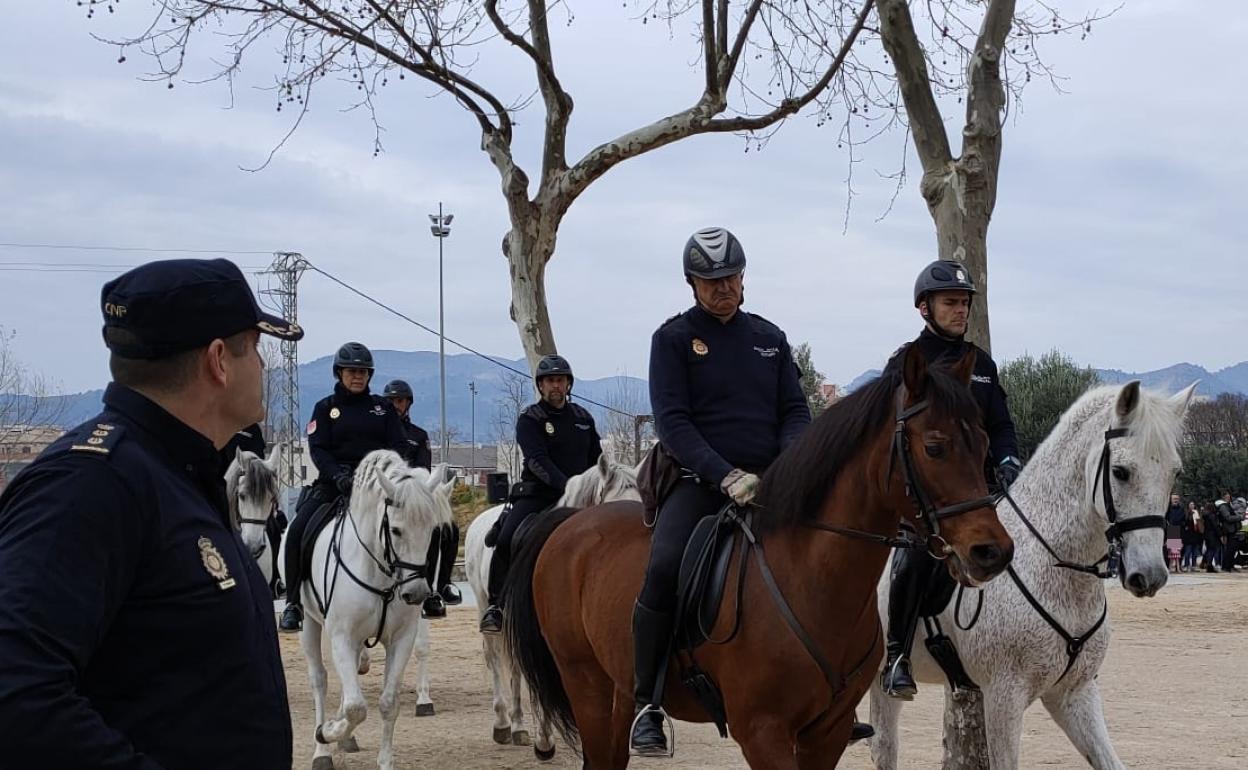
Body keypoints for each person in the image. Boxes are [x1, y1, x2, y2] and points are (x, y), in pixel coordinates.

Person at [0, 258, 299, 768]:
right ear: (219, 360)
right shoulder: (90, 484)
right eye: (257, 349)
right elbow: (15, 691)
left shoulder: (176, 472)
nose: (265, 368)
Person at [631, 227, 811, 755]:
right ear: (692, 283)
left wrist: (787, 466)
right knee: (664, 568)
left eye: (730, 277)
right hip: (700, 483)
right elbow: (673, 423)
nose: (723, 287)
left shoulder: (770, 338)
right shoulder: (672, 340)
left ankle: (827, 694)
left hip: (771, 482)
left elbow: (794, 411)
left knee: (823, 560)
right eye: (711, 280)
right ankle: (648, 703)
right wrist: (725, 475)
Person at [880, 259, 1022, 702]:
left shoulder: (981, 365)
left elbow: (999, 424)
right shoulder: (907, 362)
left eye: (964, 303)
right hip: (928, 496)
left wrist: (1010, 458)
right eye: (951, 303)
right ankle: (897, 654)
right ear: (925, 307)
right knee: (919, 557)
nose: (961, 311)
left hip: (977, 491)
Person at [278, 342, 407, 632]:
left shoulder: (382, 408)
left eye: (363, 372)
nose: (358, 376)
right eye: (352, 371)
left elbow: (398, 445)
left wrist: (381, 473)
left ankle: (424, 591)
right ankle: (293, 602)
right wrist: (338, 475)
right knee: (298, 530)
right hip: (334, 485)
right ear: (339, 373)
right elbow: (318, 449)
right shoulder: (325, 408)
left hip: (376, 487)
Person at [479, 354, 603, 634]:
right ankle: (496, 605)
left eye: (560, 380)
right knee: (509, 538)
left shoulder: (584, 418)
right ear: (541, 386)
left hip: (582, 496)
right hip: (539, 494)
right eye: (549, 381)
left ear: (568, 384)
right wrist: (568, 486)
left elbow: (597, 459)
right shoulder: (531, 418)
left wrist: (592, 487)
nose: (555, 386)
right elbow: (537, 461)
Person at [382, 378, 462, 618]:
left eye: (401, 400)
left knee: (447, 529)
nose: (397, 405)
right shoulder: (378, 433)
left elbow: (423, 470)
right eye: (392, 401)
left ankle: (440, 586)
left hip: (412, 495)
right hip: (387, 495)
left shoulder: (418, 435)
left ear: (408, 404)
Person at [1180, 500, 1204, 572]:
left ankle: (1193, 565)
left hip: (1196, 535)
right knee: (1188, 551)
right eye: (1190, 504)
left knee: (1195, 552)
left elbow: (1199, 523)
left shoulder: (1197, 513)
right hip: (1188, 536)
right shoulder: (1186, 513)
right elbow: (1184, 523)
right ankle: (1186, 565)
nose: (1192, 506)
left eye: (1193, 504)